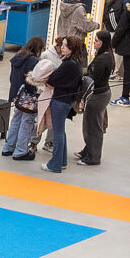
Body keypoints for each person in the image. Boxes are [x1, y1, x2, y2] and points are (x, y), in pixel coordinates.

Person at [39, 35, 87, 174]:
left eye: (65, 45)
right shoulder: (77, 62)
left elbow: (52, 79)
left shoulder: (68, 64)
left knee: (58, 132)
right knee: (60, 131)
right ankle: (62, 161)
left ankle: (55, 164)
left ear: (72, 48)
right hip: (67, 100)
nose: (62, 47)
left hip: (61, 100)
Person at [77, 30, 116, 165]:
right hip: (101, 93)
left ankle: (93, 157)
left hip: (97, 95)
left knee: (93, 126)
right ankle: (88, 150)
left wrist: (83, 94)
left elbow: (93, 79)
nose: (94, 43)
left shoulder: (102, 59)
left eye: (97, 41)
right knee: (91, 124)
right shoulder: (106, 55)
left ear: (103, 42)